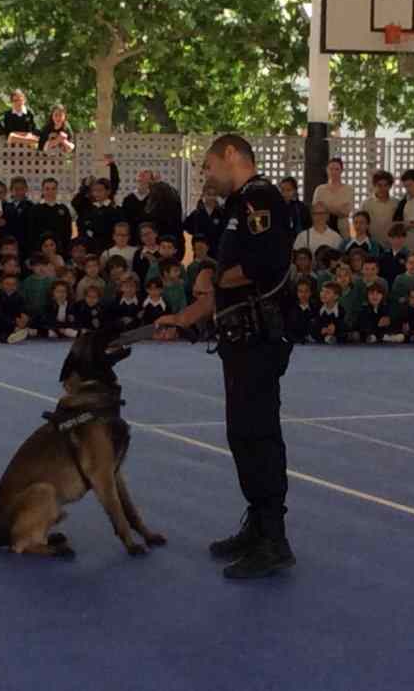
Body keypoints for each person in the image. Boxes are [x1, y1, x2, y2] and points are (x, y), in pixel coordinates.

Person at [154, 134, 295, 580]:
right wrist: (184, 318)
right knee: (242, 434)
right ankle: (257, 525)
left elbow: (264, 266)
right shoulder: (237, 207)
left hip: (259, 337)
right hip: (238, 337)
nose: (206, 174)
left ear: (232, 156)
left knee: (258, 434)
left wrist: (212, 282)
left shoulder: (261, 200)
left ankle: (274, 538)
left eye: (209, 165)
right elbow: (222, 285)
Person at [312, 157, 354, 239]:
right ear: (327, 170)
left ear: (342, 171)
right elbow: (316, 211)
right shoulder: (320, 189)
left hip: (343, 230)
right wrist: (338, 208)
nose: (333, 172)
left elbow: (346, 212)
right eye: (331, 169)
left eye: (337, 169)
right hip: (323, 228)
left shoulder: (348, 189)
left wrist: (326, 207)